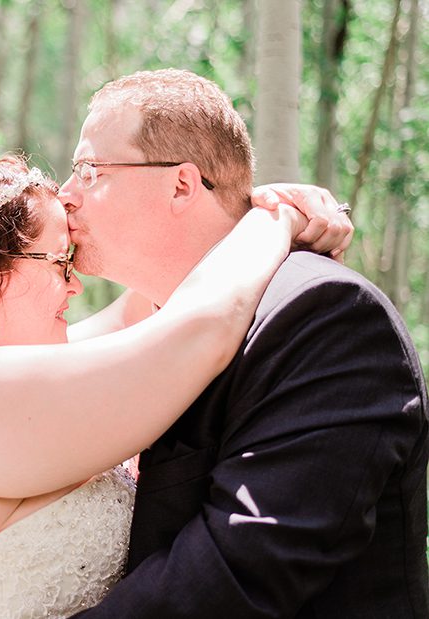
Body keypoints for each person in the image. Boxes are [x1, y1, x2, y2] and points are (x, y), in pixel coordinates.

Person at [0, 154, 353, 617]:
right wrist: (274, 220)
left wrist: (229, 207)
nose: (75, 282)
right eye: (59, 260)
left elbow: (142, 309)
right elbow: (197, 331)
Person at [66, 70, 427, 617]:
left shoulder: (326, 317)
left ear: (182, 184)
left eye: (89, 171)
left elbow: (238, 575)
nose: (65, 196)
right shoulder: (153, 321)